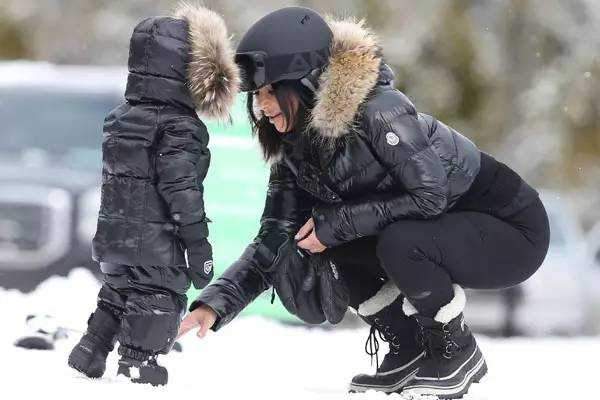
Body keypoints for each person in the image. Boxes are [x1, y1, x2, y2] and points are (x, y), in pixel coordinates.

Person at [178, 6, 550, 398]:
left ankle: (455, 352)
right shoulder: (296, 152)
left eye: (272, 91)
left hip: (511, 229)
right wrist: (215, 304)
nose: (262, 105)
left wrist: (336, 224)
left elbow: (430, 196)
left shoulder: (379, 110)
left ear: (304, 82)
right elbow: (274, 240)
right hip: (444, 231)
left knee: (391, 240)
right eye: (258, 94)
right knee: (323, 243)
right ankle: (409, 347)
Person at [67, 4, 239, 386]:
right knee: (158, 297)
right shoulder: (180, 127)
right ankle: (137, 362)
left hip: (114, 240)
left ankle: (91, 348)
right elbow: (180, 187)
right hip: (156, 243)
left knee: (118, 294)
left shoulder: (119, 117)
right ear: (188, 70)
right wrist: (197, 243)